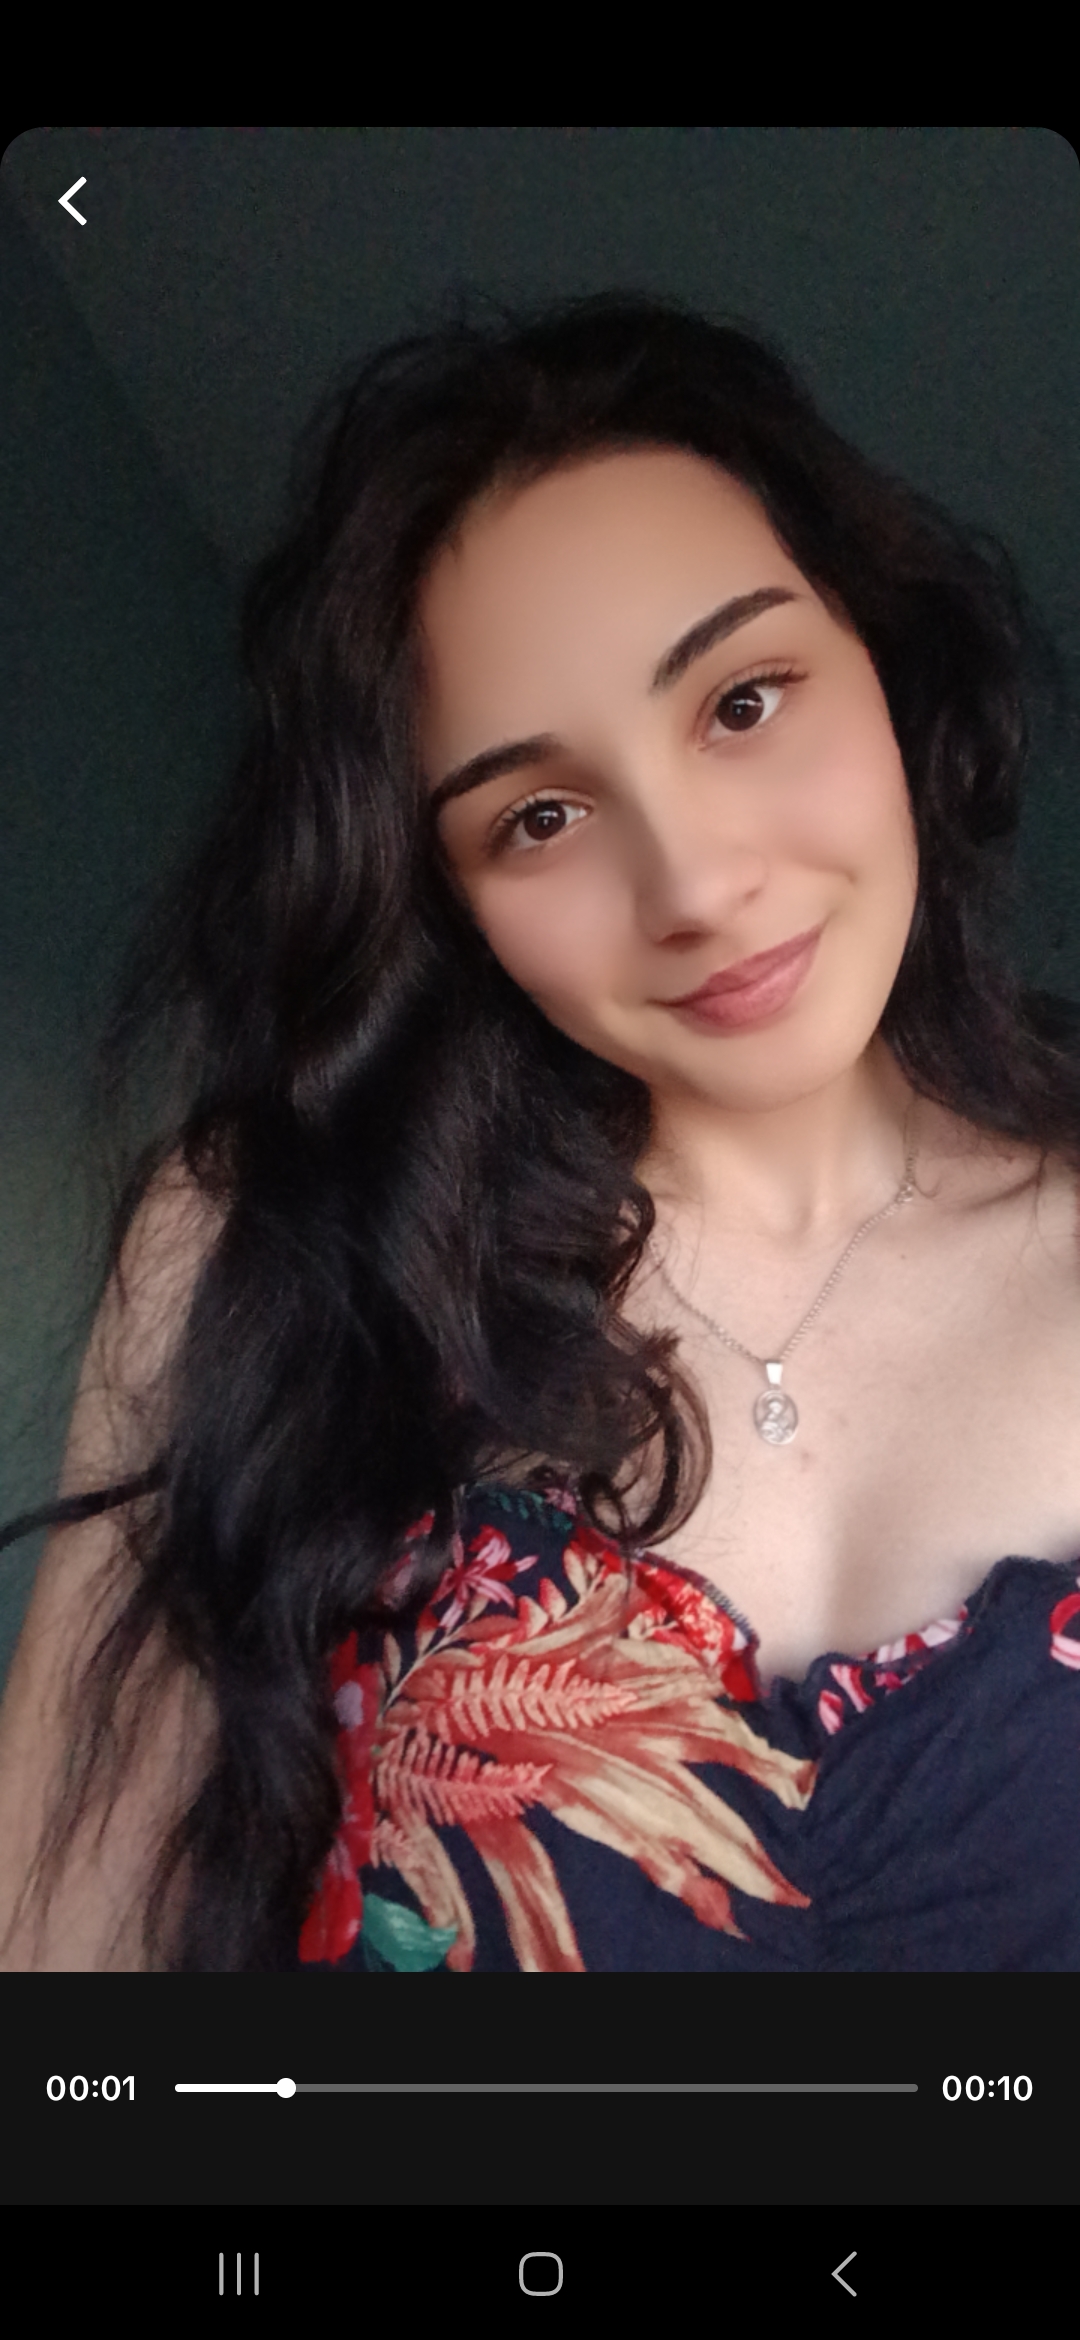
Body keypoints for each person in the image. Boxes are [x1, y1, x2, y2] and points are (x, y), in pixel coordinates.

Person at [1, 290, 1079, 1973]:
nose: (694, 882)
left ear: (883, 660)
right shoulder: (267, 1244)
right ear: (444, 896)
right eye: (543, 815)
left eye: (744, 701)